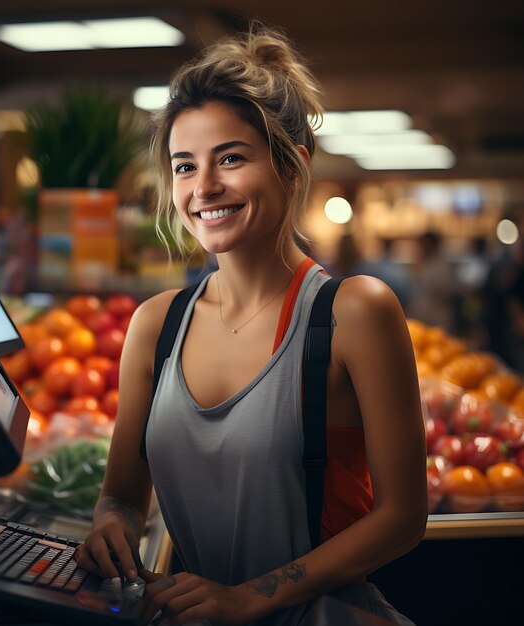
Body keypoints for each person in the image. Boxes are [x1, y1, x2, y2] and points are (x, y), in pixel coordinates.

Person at [74, 24, 427, 626]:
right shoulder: (155, 325)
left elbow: (402, 516)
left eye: (231, 158)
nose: (204, 187)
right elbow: (124, 494)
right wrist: (112, 525)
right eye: (185, 166)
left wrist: (248, 597)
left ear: (293, 166)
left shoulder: (354, 313)